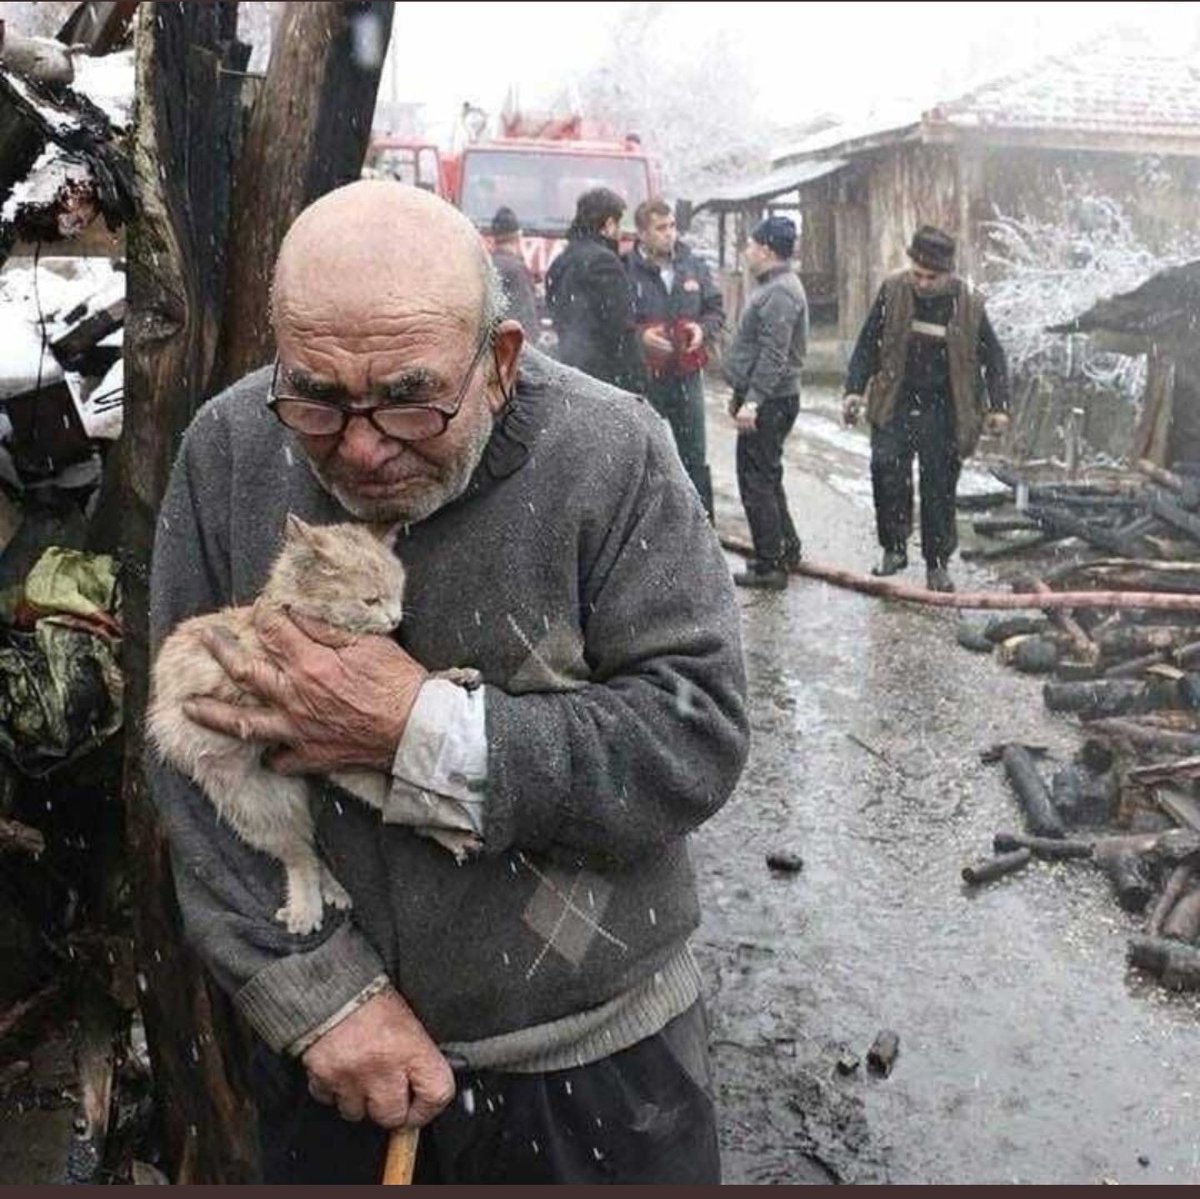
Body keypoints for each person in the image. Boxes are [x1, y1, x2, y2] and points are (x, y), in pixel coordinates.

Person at [147, 180, 749, 1185]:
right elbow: (185, 759)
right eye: (317, 398)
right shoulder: (230, 448)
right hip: (335, 1074)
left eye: (409, 397)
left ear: (499, 359)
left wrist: (419, 730)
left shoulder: (611, 451)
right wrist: (320, 999)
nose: (362, 444)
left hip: (594, 1064)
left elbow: (695, 736)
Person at [842, 225, 1010, 592]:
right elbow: (868, 342)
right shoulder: (893, 290)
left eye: (931, 277)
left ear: (948, 273)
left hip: (946, 408)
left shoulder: (969, 304)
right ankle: (894, 548)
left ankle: (937, 563)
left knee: (939, 487)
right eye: (917, 274)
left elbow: (994, 359)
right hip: (896, 402)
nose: (922, 283)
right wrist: (854, 389)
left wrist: (999, 406)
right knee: (886, 470)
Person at [625, 197, 724, 521]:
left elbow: (715, 310)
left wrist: (702, 329)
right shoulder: (625, 270)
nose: (669, 234)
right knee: (644, 455)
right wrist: (640, 338)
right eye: (660, 228)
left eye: (672, 226)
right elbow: (614, 323)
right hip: (645, 378)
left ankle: (703, 526)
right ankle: (650, 527)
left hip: (686, 376)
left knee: (694, 455)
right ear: (642, 233)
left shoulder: (692, 265)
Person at [724, 215, 808, 591]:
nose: (747, 251)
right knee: (767, 475)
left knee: (756, 480)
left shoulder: (780, 293)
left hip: (772, 399)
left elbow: (775, 354)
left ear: (767, 250)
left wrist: (753, 401)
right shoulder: (775, 287)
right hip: (769, 397)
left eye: (751, 245)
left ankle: (771, 565)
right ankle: (785, 549)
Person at [544, 187, 645, 391]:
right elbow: (620, 328)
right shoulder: (605, 262)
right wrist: (637, 380)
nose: (621, 233)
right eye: (618, 225)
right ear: (608, 225)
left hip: (569, 370)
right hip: (603, 377)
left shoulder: (560, 261)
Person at [489, 206, 539, 343]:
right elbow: (526, 316)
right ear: (517, 237)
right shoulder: (517, 269)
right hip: (511, 343)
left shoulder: (486, 265)